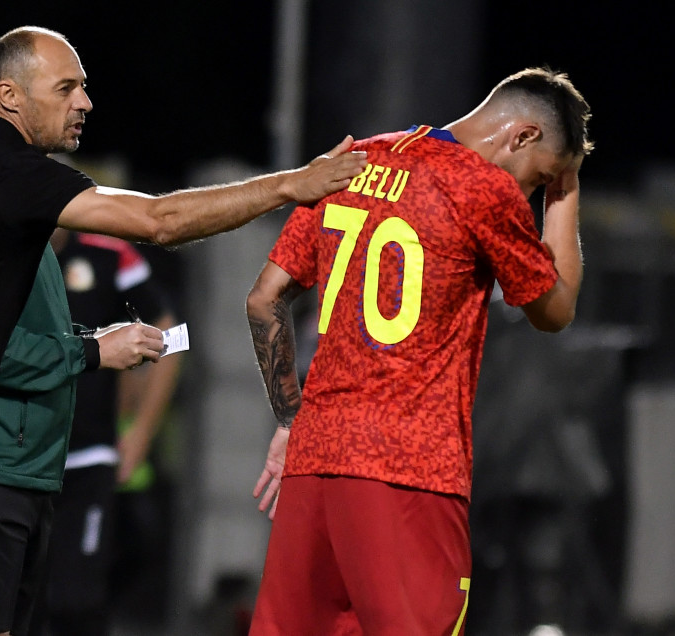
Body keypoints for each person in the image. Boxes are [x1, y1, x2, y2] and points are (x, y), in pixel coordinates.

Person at [0, 25, 366, 636]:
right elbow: (158, 221)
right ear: (10, 96)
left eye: (84, 88)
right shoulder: (12, 172)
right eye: (66, 88)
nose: (84, 102)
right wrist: (290, 185)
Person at [244, 67, 592, 634]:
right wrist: (567, 189)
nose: (529, 194)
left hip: (312, 466)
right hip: (409, 473)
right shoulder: (483, 186)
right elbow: (555, 310)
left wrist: (292, 420)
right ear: (522, 136)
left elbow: (264, 300)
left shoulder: (355, 160)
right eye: (541, 178)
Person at [15, 229, 180, 636]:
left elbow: (170, 335)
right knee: (15, 601)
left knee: (77, 601)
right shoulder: (3, 244)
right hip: (17, 459)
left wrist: (142, 430)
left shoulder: (109, 256)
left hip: (88, 458)